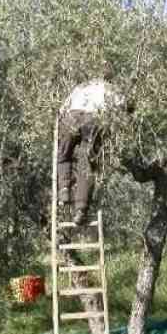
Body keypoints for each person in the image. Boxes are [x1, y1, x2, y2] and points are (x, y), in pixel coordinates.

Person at [57, 77, 126, 226]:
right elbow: (123, 103)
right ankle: (81, 210)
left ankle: (63, 190)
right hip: (92, 119)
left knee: (63, 156)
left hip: (71, 116)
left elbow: (61, 110)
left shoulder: (81, 86)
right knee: (86, 165)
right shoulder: (108, 87)